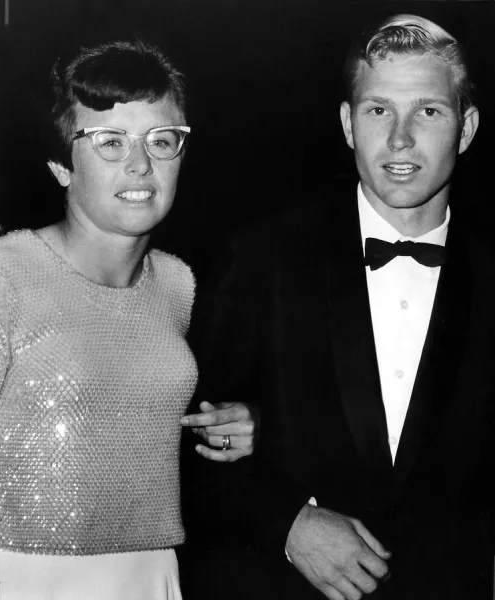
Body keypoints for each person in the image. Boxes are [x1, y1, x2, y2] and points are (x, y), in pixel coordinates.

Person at [181, 14, 495, 600]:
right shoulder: (261, 257)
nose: (400, 139)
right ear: (350, 123)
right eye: (379, 110)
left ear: (467, 127)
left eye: (428, 110)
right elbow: (190, 448)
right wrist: (288, 523)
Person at [0, 39, 258, 600]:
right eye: (110, 142)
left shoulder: (180, 284)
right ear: (60, 165)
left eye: (162, 141)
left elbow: (152, 430)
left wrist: (242, 425)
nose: (141, 163)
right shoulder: (6, 274)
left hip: (152, 575)